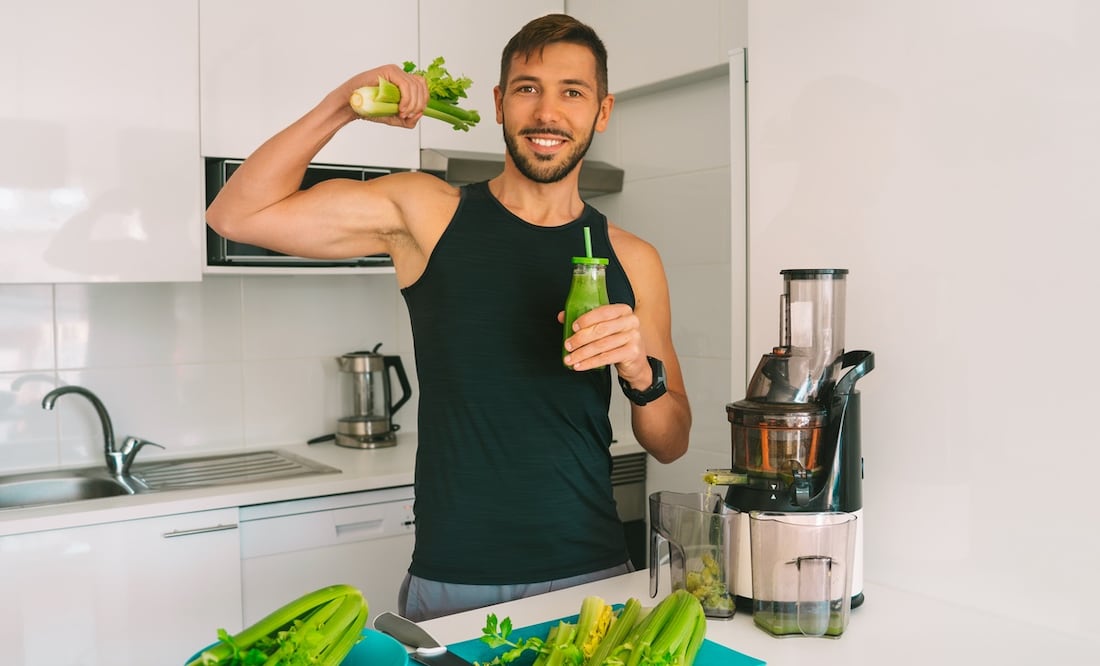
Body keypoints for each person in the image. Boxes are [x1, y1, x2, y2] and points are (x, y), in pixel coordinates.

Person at [206, 13, 691, 621]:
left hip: (590, 575)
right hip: (455, 580)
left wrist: (640, 374)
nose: (547, 113)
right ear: (498, 102)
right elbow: (236, 215)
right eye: (527, 88)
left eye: (573, 92)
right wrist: (344, 105)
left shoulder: (632, 258)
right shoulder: (426, 212)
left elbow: (672, 442)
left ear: (602, 111)